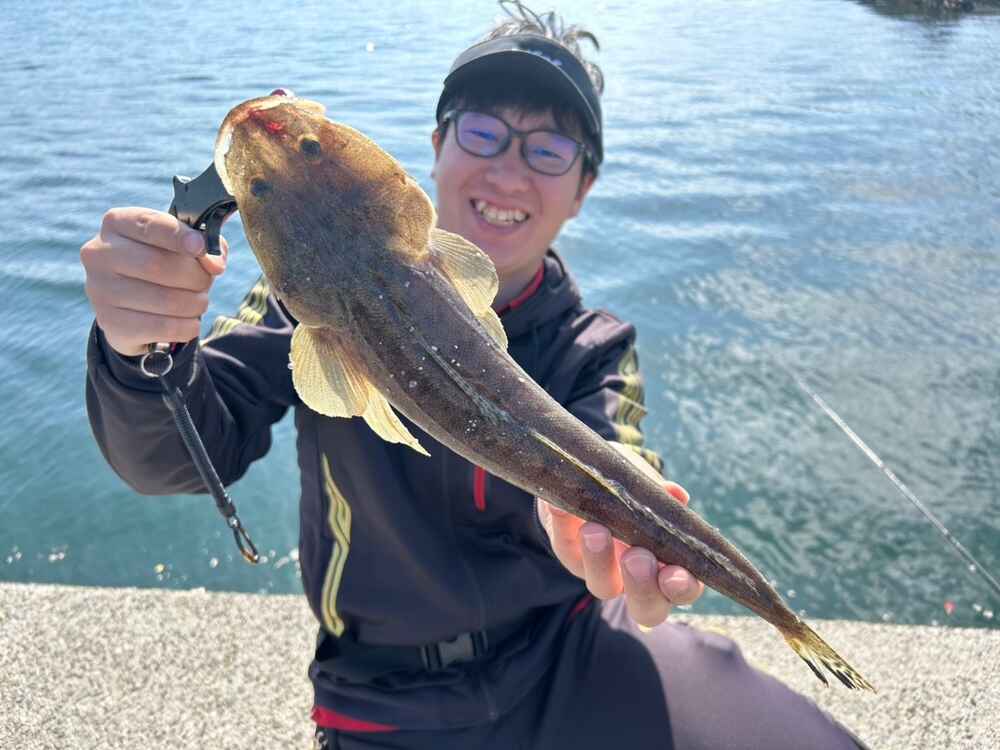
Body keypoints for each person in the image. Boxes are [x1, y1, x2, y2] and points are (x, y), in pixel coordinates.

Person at [81, 2, 869, 747]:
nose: (509, 172)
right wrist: (144, 348)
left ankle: (788, 624)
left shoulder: (594, 346)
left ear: (584, 190)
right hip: (383, 694)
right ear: (433, 148)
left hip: (570, 650)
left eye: (549, 150)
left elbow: (620, 447)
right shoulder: (298, 315)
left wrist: (610, 527)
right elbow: (175, 457)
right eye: (484, 132)